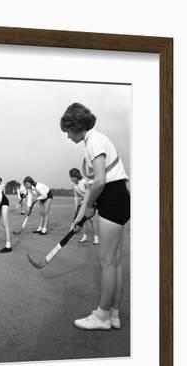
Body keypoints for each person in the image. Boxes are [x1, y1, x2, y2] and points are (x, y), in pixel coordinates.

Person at [61, 102, 130, 330]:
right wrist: (80, 217)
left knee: (107, 262)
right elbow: (91, 188)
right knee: (115, 262)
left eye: (67, 131)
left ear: (75, 125)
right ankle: (113, 315)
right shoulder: (92, 142)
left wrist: (89, 207)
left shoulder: (94, 141)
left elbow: (99, 180)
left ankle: (101, 317)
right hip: (115, 195)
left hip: (112, 195)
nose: (67, 136)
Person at [69, 167, 99, 244]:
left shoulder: (84, 182)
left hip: (92, 201)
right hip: (83, 202)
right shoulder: (73, 185)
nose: (71, 179)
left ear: (77, 176)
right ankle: (84, 237)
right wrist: (76, 208)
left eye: (73, 177)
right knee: (84, 220)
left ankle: (96, 238)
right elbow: (76, 196)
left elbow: (89, 193)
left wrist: (85, 202)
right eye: (70, 177)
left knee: (92, 220)